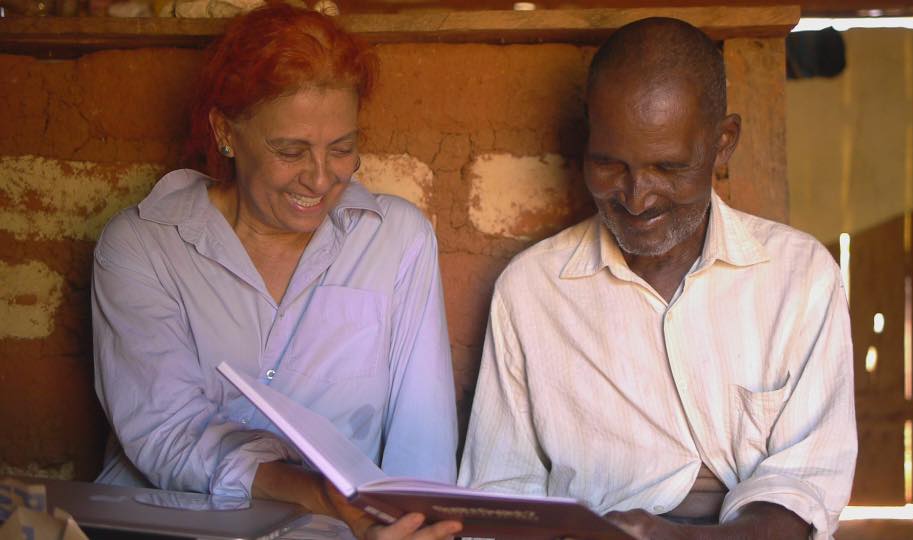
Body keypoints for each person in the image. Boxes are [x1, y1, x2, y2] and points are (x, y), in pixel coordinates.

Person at [458, 17, 856, 540]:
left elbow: (806, 483)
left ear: (723, 143)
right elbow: (500, 494)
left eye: (668, 168)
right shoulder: (532, 290)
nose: (637, 196)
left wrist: (685, 539)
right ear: (588, 135)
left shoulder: (799, 277)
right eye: (608, 164)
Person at [92, 5, 461, 539]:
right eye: (290, 150)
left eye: (342, 149)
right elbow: (165, 431)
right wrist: (321, 496)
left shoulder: (395, 239)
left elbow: (421, 446)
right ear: (225, 132)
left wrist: (411, 527)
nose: (318, 178)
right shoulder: (146, 245)